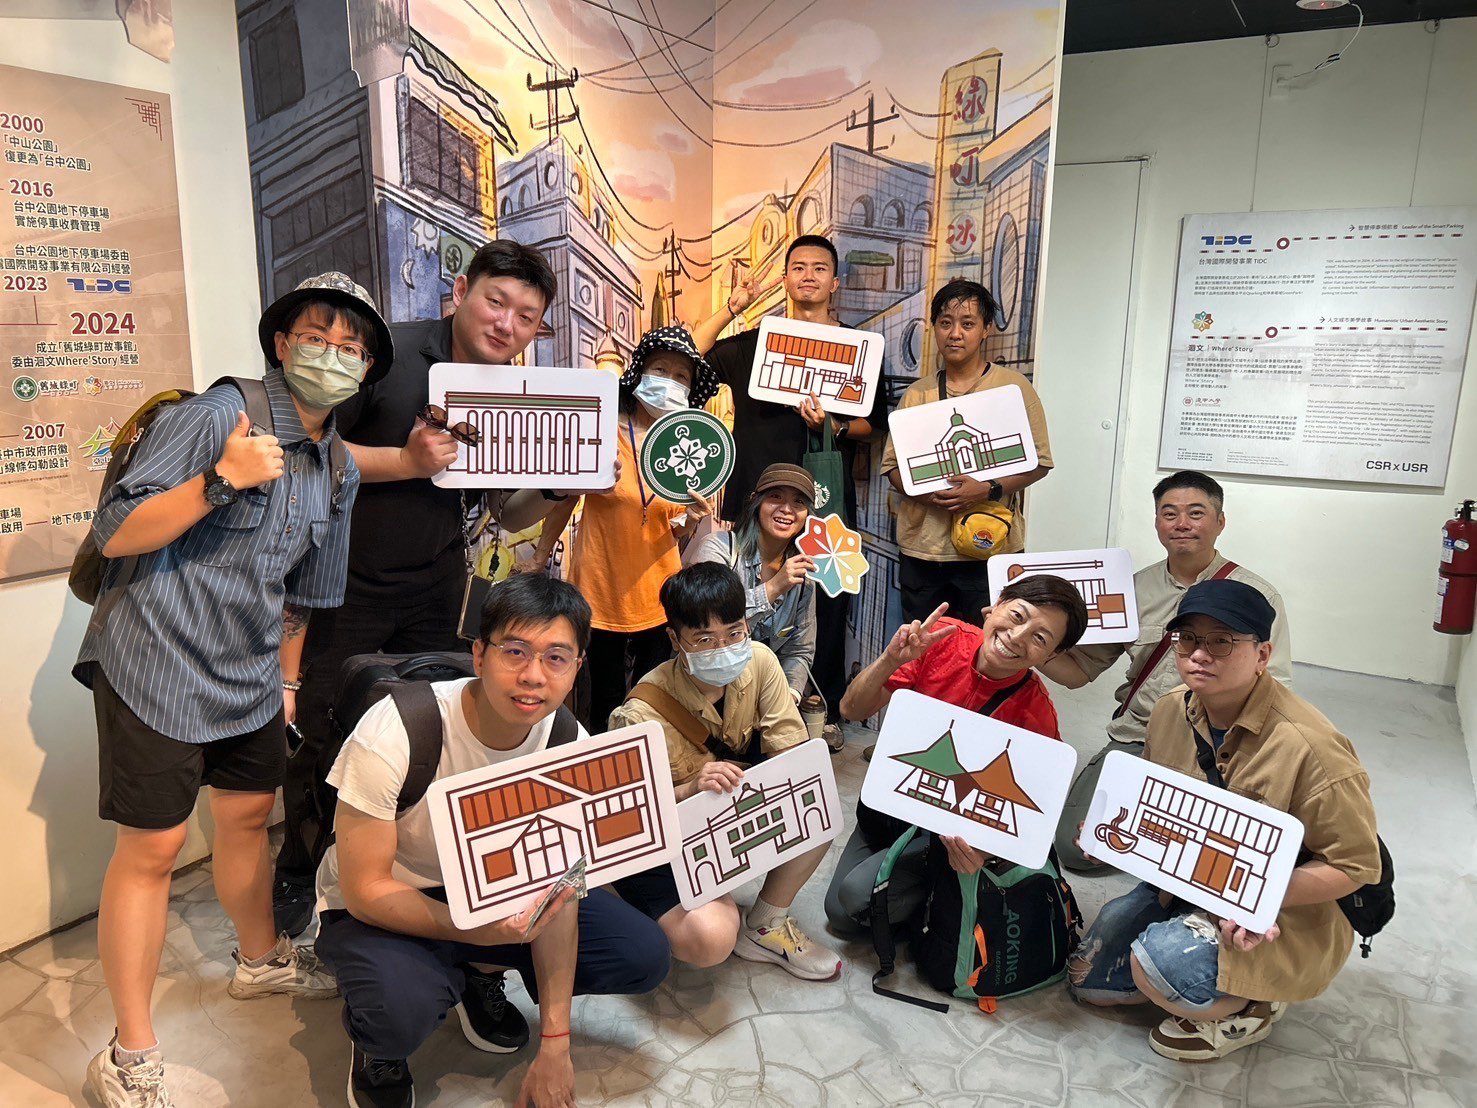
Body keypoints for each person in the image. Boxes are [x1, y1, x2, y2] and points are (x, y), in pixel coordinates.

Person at [75, 272, 387, 1108]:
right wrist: (221, 480)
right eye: (317, 338)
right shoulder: (219, 415)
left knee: (249, 818)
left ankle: (261, 960)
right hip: (156, 660)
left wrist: (285, 684)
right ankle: (129, 1053)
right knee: (154, 849)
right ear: (282, 344)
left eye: (352, 348)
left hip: (248, 671)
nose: (333, 356)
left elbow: (304, 596)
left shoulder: (337, 467)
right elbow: (116, 531)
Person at [275, 240, 578, 934]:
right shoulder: (388, 354)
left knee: (432, 728)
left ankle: (417, 871)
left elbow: (509, 512)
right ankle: (299, 869)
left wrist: (559, 485)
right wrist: (405, 461)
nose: (506, 324)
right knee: (325, 731)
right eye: (496, 302)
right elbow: (309, 450)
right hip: (343, 583)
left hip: (438, 584)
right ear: (461, 291)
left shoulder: (509, 395)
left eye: (526, 317)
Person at [314, 573, 671, 1108]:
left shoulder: (570, 743)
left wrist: (556, 1043)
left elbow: (561, 894)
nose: (533, 676)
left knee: (641, 953)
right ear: (479, 654)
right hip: (389, 897)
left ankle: (476, 972)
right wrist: (474, 930)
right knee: (397, 1009)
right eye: (515, 651)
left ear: (577, 668)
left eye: (556, 657)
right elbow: (365, 890)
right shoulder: (397, 729)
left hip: (496, 893)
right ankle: (380, 1043)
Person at [1068, 579, 1379, 1062]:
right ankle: (1195, 956)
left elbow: (1356, 867)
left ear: (1262, 654)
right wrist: (1112, 835)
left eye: (1222, 641)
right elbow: (1155, 801)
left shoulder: (1312, 748)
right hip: (1192, 879)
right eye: (1188, 639)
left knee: (1159, 966)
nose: (1200, 654)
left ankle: (1257, 1004)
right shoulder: (1170, 710)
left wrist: (1253, 901)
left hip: (1279, 907)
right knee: (1091, 979)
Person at [1044, 470, 1292, 872]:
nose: (1182, 523)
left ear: (1220, 522)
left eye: (1196, 513)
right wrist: (1025, 644)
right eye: (1169, 513)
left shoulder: (1257, 595)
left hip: (1218, 747)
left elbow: (1275, 687)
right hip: (1140, 737)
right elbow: (1078, 671)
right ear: (1157, 522)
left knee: (1222, 862)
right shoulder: (1130, 590)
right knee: (1075, 850)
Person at [608, 563, 841, 980]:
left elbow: (794, 758)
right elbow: (629, 817)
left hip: (722, 826)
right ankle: (622, 901)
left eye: (734, 633)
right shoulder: (639, 714)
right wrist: (688, 789)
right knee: (712, 940)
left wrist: (781, 783)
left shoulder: (760, 662)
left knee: (818, 804)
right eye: (704, 639)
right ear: (675, 640)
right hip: (669, 842)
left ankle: (765, 923)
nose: (723, 648)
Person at [699, 235, 889, 747]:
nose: (808, 275)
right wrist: (732, 307)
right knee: (740, 591)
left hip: (823, 499)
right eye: (798, 267)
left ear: (835, 283)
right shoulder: (753, 342)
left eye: (819, 268)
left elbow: (875, 423)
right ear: (785, 279)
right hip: (754, 493)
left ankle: (818, 707)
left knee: (827, 595)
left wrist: (835, 425)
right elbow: (693, 355)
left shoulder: (857, 351)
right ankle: (736, 706)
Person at [826, 576, 1087, 936]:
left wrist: (984, 853)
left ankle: (941, 906)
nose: (1017, 637)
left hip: (943, 839)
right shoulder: (941, 638)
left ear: (1051, 656)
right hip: (889, 809)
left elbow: (1033, 815)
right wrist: (889, 660)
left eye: (1040, 638)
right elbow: (851, 709)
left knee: (854, 900)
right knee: (838, 912)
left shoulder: (1037, 714)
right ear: (996, 605)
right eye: (1017, 615)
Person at [527, 325, 721, 730]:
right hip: (602, 588)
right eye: (660, 370)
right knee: (605, 698)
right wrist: (540, 557)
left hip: (659, 593)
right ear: (639, 372)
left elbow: (672, 530)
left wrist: (691, 520)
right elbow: (564, 498)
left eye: (681, 376)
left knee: (652, 697)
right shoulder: (604, 432)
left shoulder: (686, 446)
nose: (669, 382)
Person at [880, 278, 1053, 625]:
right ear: (934, 328)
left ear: (986, 329)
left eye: (968, 324)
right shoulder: (917, 394)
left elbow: (1039, 462)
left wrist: (988, 489)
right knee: (922, 646)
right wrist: (929, 494)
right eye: (945, 323)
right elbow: (892, 467)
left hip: (990, 546)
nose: (955, 333)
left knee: (987, 642)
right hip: (924, 551)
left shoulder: (1013, 387)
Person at [689, 463, 818, 712]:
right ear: (756, 502)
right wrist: (774, 587)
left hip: (763, 699)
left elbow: (800, 650)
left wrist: (788, 697)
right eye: (775, 496)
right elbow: (705, 622)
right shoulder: (719, 549)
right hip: (704, 693)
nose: (787, 509)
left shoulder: (804, 575)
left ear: (807, 516)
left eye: (799, 502)